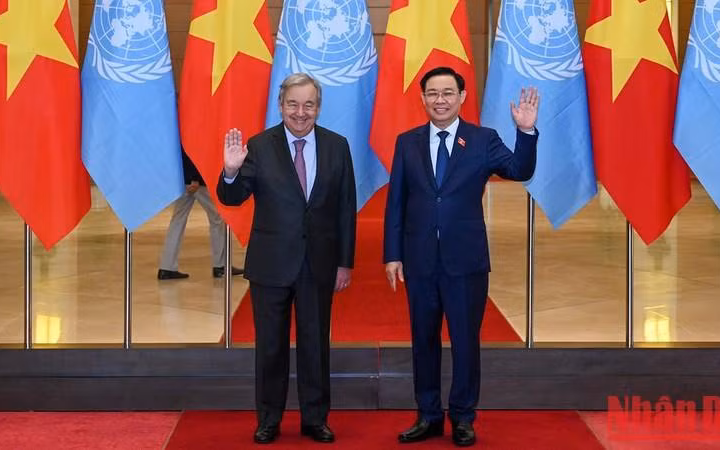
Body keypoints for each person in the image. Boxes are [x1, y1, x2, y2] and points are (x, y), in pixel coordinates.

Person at [383, 67, 539, 447]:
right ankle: (428, 415)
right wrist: (392, 254)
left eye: (448, 93)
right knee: (423, 341)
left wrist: (526, 132)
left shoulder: (483, 140)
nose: (440, 100)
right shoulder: (407, 142)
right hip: (419, 262)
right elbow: (397, 203)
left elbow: (520, 169)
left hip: (465, 262)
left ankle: (464, 417)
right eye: (433, 93)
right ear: (422, 99)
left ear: (463, 96)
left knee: (465, 341)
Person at [217, 73, 356, 444]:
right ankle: (269, 418)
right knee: (271, 347)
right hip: (271, 264)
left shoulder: (337, 146)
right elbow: (233, 199)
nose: (300, 112)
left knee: (315, 344)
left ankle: (315, 419)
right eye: (293, 104)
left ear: (318, 107)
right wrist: (230, 171)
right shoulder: (259, 147)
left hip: (319, 264)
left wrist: (345, 262)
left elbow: (345, 208)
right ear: (280, 105)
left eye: (308, 104)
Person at [157, 150, 244, 280]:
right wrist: (194, 178)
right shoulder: (194, 129)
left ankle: (167, 267)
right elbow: (193, 149)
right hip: (195, 181)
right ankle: (221, 266)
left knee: (177, 220)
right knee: (218, 218)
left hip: (182, 178)